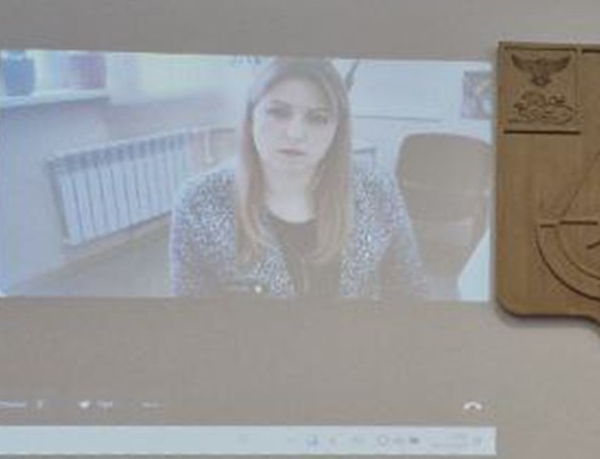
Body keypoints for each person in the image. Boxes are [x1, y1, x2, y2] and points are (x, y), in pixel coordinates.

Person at [168, 57, 427, 298]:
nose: (295, 133)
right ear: (251, 117)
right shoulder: (199, 202)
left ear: (338, 129)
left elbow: (411, 295)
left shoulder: (378, 190)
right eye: (278, 112)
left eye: (318, 118)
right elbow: (193, 318)